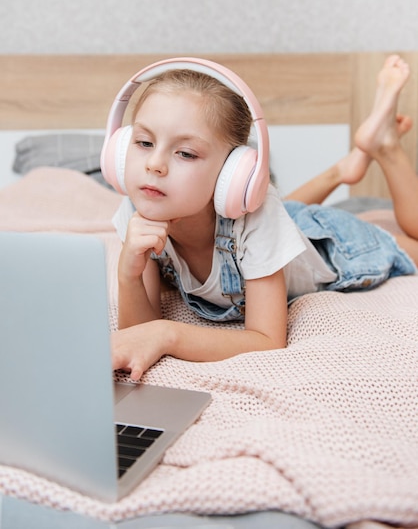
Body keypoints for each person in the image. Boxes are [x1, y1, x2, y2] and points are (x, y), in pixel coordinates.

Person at [111, 54, 417, 381]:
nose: (154, 165)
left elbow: (268, 340)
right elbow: (136, 336)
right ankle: (341, 171)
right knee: (284, 214)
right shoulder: (140, 205)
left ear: (235, 174)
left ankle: (384, 146)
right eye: (144, 142)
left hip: (332, 243)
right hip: (276, 226)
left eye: (185, 153)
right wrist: (128, 274)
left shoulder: (258, 213)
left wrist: (169, 334)